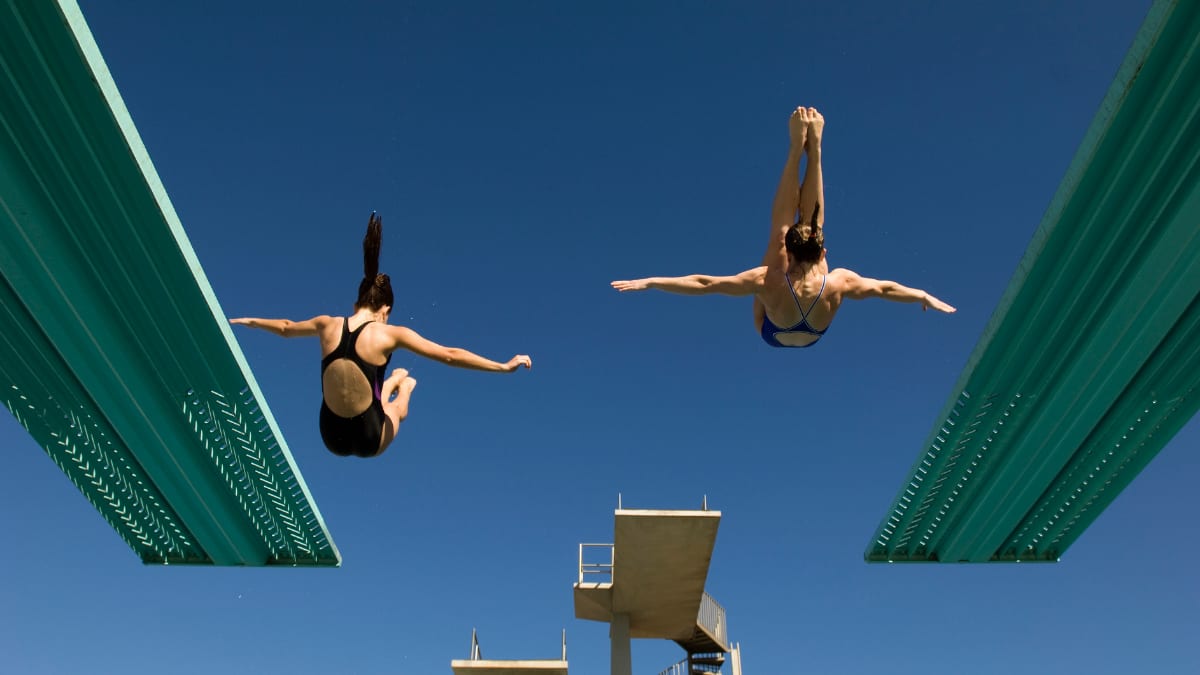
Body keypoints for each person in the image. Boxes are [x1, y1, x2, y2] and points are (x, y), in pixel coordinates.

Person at [611, 106, 955, 348]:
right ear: (822, 253)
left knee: (780, 239)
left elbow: (706, 284)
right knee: (801, 234)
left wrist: (651, 282)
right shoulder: (838, 281)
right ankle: (814, 150)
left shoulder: (770, 279)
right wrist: (923, 296)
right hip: (798, 323)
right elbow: (885, 289)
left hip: (773, 330)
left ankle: (798, 150)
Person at [231, 213, 531, 458]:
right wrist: (502, 366)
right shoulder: (389, 334)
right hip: (369, 435)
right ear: (386, 309)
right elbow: (450, 355)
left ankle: (394, 382)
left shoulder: (327, 324)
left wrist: (251, 321)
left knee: (377, 397)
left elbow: (285, 327)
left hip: (330, 433)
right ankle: (404, 386)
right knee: (395, 411)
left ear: (355, 303)